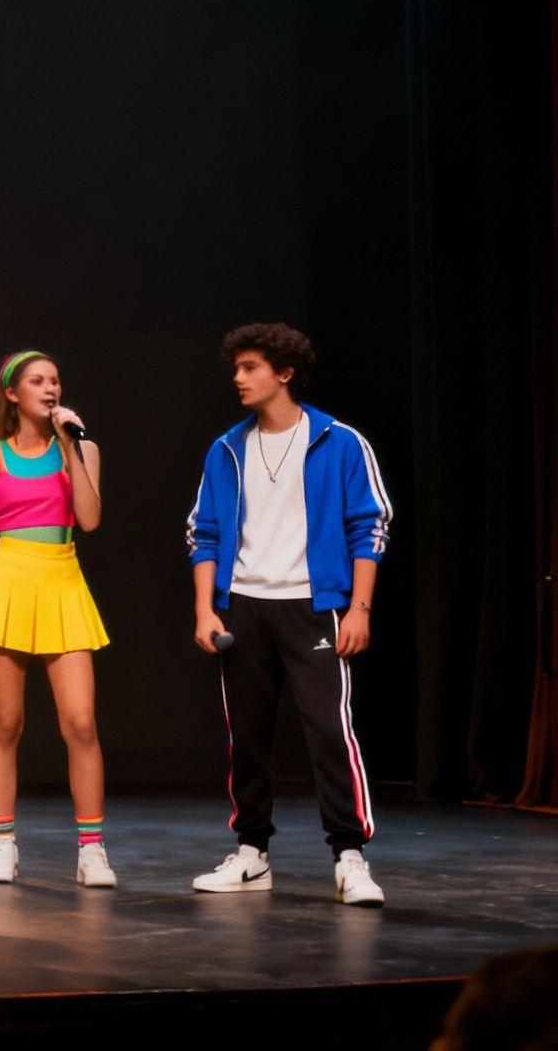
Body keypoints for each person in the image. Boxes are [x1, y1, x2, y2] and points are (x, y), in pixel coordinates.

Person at [186, 322, 391, 905]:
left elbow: (369, 527)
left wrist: (359, 607)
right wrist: (206, 610)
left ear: (284, 372)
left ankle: (350, 857)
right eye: (236, 368)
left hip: (314, 606)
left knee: (329, 731)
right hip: (243, 608)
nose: (238, 378)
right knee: (247, 736)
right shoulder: (227, 447)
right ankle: (252, 854)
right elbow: (204, 532)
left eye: (249, 367)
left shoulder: (340, 441)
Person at [0, 350, 114, 887]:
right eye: (38, 380)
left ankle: (91, 849)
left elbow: (89, 521)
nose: (50, 388)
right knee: (6, 723)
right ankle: (3, 844)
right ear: (13, 393)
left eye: (56, 380)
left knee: (81, 722)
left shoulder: (81, 447)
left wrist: (70, 447)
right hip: (8, 582)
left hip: (63, 579)